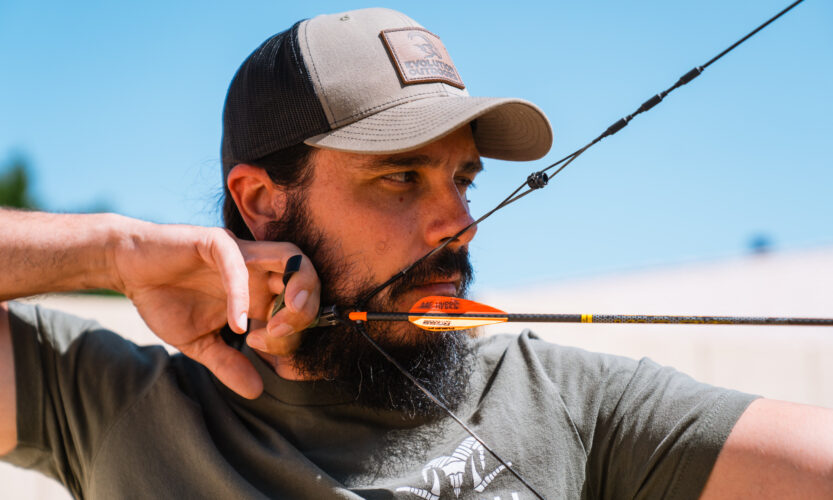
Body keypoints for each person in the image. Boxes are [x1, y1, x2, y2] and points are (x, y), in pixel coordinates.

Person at [1, 7, 831, 499]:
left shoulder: (567, 401)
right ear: (260, 202)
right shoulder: (111, 403)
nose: (459, 223)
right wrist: (111, 251)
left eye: (462, 178)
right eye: (399, 178)